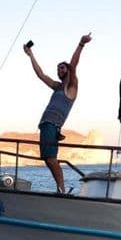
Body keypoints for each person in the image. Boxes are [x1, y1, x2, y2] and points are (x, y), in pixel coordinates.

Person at [24, 33, 92, 193]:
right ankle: (60, 188)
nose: (59, 70)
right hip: (46, 124)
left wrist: (81, 44)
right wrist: (30, 55)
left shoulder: (71, 87)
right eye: (57, 68)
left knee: (51, 159)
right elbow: (41, 74)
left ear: (68, 70)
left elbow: (74, 65)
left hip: (52, 125)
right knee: (48, 159)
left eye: (62, 67)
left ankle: (61, 189)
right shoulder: (57, 86)